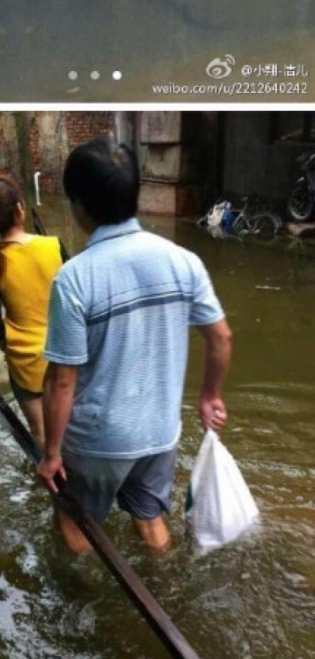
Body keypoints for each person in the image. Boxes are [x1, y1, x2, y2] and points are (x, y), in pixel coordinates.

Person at [40, 132, 232, 561]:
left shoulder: (74, 278)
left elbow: (62, 380)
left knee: (73, 519)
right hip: (160, 431)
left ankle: (87, 603)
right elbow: (220, 336)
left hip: (97, 441)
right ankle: (162, 591)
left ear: (79, 205)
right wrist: (209, 396)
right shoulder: (184, 261)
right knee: (149, 518)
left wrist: (51, 454)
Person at [0, 172, 61, 448]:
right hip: (65, 354)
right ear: (20, 210)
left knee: (41, 434)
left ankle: (51, 479)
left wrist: (12, 348)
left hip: (25, 362)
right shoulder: (53, 246)